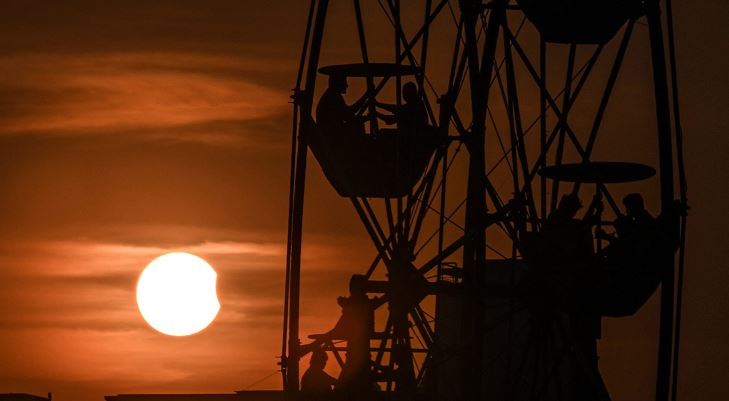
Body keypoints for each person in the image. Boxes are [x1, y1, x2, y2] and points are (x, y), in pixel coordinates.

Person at [307, 274, 385, 399]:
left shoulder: (354, 306)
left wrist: (314, 344)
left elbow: (338, 329)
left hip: (355, 356)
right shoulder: (362, 305)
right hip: (360, 355)